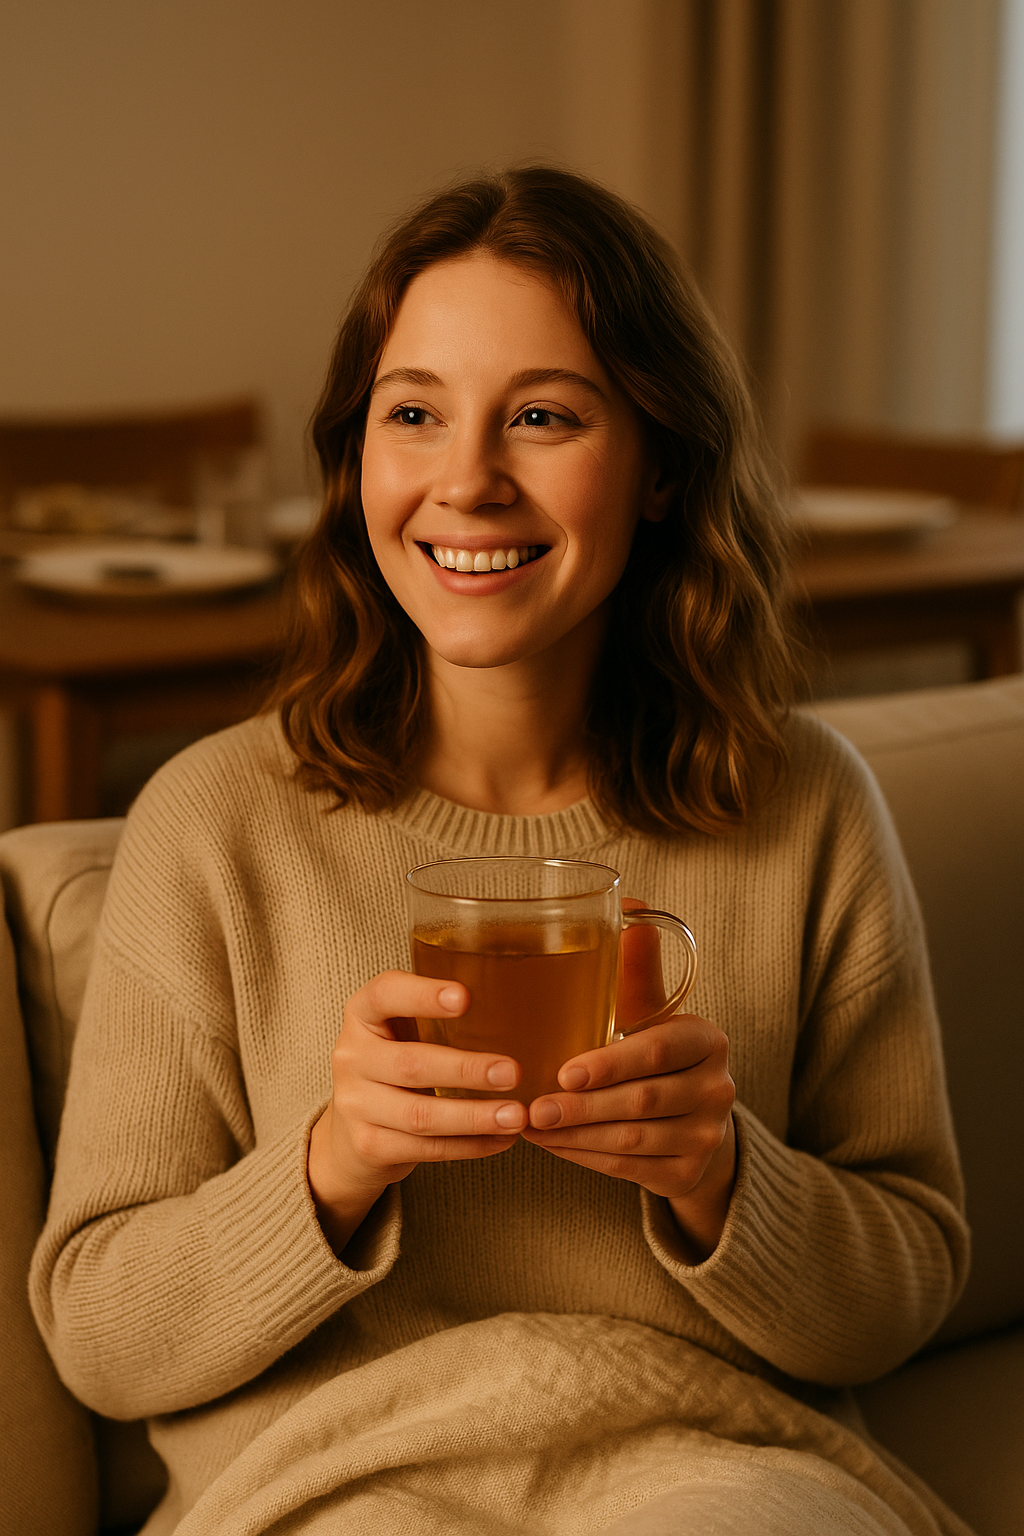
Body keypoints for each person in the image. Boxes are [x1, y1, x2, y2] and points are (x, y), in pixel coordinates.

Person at [31, 167, 971, 1536]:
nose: (467, 481)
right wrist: (336, 1163)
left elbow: (905, 1289)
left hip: (713, 1464)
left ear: (661, 464)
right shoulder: (215, 822)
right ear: (358, 457)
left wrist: (719, 1177)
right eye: (414, 413)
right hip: (339, 1483)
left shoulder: (807, 806)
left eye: (542, 415)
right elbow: (102, 1339)